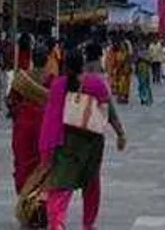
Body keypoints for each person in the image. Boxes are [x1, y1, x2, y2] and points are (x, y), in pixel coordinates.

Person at [39, 44, 127, 230]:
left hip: (65, 141)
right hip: (90, 141)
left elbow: (51, 117)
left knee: (61, 183)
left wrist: (47, 147)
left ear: (65, 66)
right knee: (91, 183)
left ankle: (57, 222)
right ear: (83, 64)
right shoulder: (95, 83)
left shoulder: (59, 84)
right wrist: (120, 134)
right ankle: (88, 223)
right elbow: (109, 111)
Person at [9, 46, 53, 222]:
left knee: (23, 165)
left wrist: (19, 113)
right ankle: (39, 209)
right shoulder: (51, 80)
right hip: (45, 126)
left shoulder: (21, 79)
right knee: (43, 167)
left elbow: (11, 102)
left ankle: (26, 208)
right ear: (47, 59)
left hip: (23, 126)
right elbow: (58, 103)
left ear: (32, 59)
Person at [103, 38, 132, 105]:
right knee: (120, 84)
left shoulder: (127, 54)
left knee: (126, 85)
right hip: (119, 71)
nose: (121, 46)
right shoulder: (116, 53)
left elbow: (129, 62)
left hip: (126, 71)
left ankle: (125, 97)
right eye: (121, 45)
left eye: (123, 46)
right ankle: (120, 97)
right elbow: (113, 62)